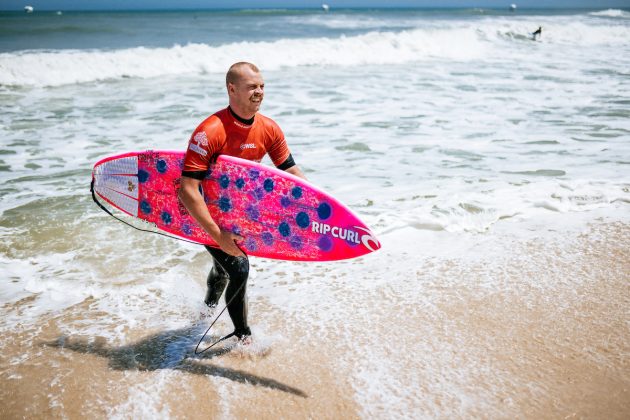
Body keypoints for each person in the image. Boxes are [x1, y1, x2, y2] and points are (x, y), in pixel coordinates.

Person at [178, 62, 306, 344]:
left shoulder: (269, 128)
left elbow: (290, 172)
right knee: (238, 266)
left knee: (222, 270)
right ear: (232, 89)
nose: (259, 91)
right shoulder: (210, 131)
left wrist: (319, 202)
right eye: (252, 87)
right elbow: (187, 190)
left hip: (240, 214)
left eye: (261, 86)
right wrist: (217, 235)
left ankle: (205, 311)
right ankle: (242, 336)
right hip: (206, 214)